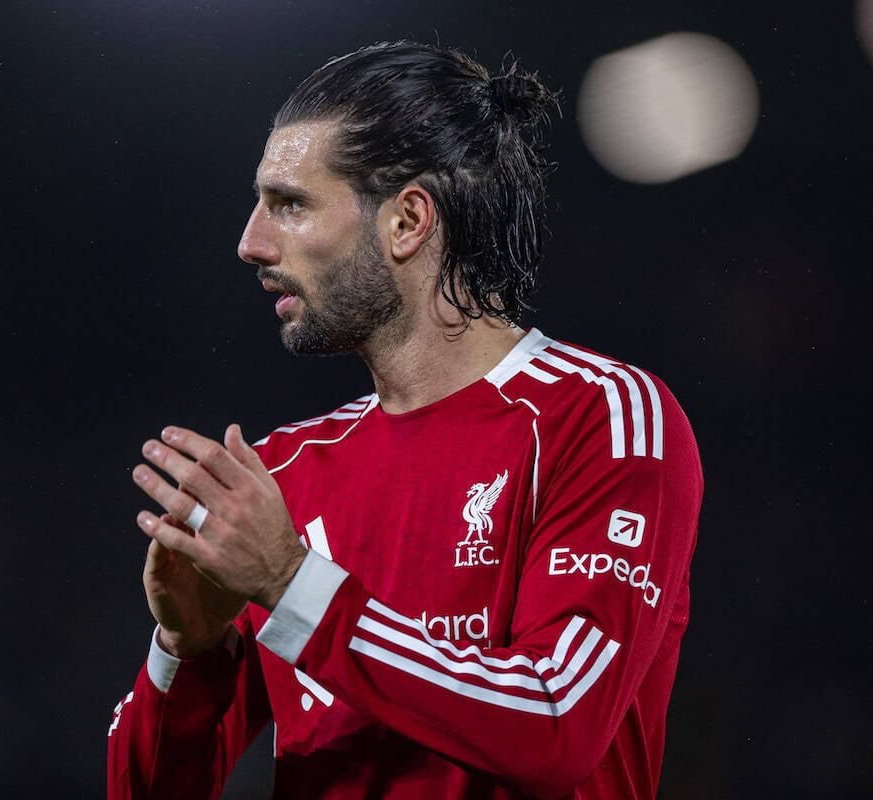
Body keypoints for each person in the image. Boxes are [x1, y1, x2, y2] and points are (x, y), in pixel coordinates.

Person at [108, 41, 703, 800]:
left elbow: (556, 720)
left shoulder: (601, 417)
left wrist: (293, 585)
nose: (251, 243)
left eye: (290, 204)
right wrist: (184, 652)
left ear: (407, 221)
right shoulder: (281, 476)